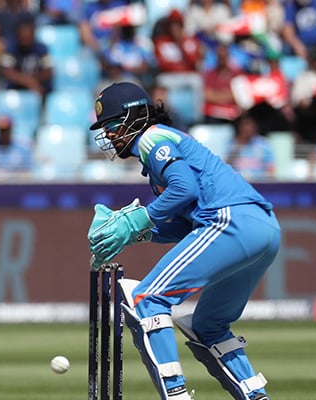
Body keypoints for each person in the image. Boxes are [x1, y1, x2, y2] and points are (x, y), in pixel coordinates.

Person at [86, 81, 279, 400]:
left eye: (112, 125)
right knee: (209, 325)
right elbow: (186, 225)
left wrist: (139, 219)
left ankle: (176, 396)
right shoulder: (162, 152)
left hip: (230, 221)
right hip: (263, 229)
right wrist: (140, 231)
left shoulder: (152, 137)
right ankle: (255, 396)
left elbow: (184, 190)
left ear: (135, 117)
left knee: (147, 299)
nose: (108, 134)